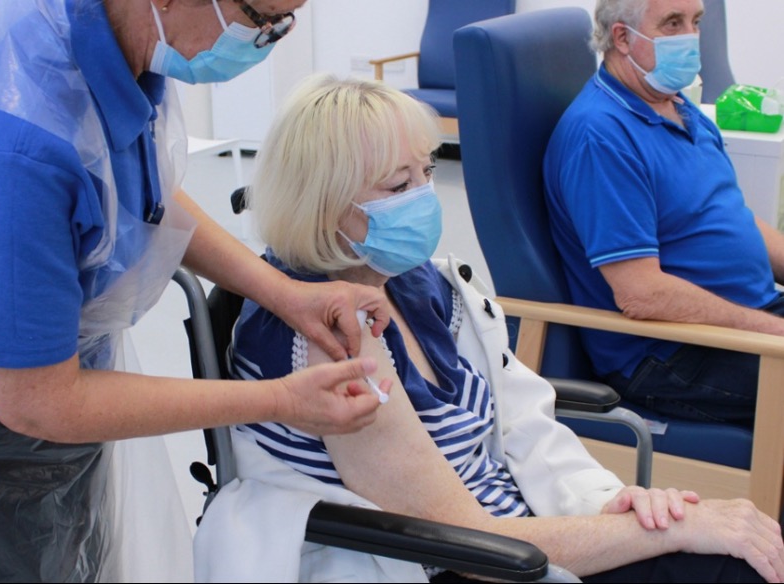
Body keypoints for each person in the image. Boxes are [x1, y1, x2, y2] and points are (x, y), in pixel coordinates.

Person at [193, 73, 784, 583]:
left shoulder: (414, 283)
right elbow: (466, 542)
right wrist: (667, 532)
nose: (425, 197)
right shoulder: (331, 338)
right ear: (322, 205)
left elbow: (521, 424)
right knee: (733, 563)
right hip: (476, 561)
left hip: (526, 528)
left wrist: (609, 503)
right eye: (398, 186)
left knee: (741, 551)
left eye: (427, 171)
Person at [0, 1, 393, 581]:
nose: (268, 40)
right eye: (261, 18)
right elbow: (36, 401)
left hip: (37, 395)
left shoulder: (122, 40)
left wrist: (286, 293)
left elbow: (131, 192)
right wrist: (282, 401)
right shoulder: (8, 142)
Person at [543, 0, 784, 427]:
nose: (690, 37)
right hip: (672, 353)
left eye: (696, 22)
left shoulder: (678, 107)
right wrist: (771, 332)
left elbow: (730, 216)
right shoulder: (600, 136)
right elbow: (642, 293)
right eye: (672, 23)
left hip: (747, 321)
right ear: (622, 37)